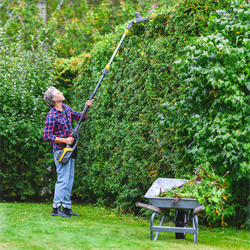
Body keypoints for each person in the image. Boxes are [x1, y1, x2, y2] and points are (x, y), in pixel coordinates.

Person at [43, 86, 93, 217]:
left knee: (69, 179)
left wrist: (86, 108)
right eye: (59, 93)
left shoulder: (66, 108)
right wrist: (65, 140)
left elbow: (81, 118)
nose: (62, 93)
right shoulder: (52, 115)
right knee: (63, 180)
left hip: (70, 150)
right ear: (54, 99)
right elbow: (47, 136)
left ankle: (66, 207)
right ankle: (55, 208)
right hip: (60, 151)